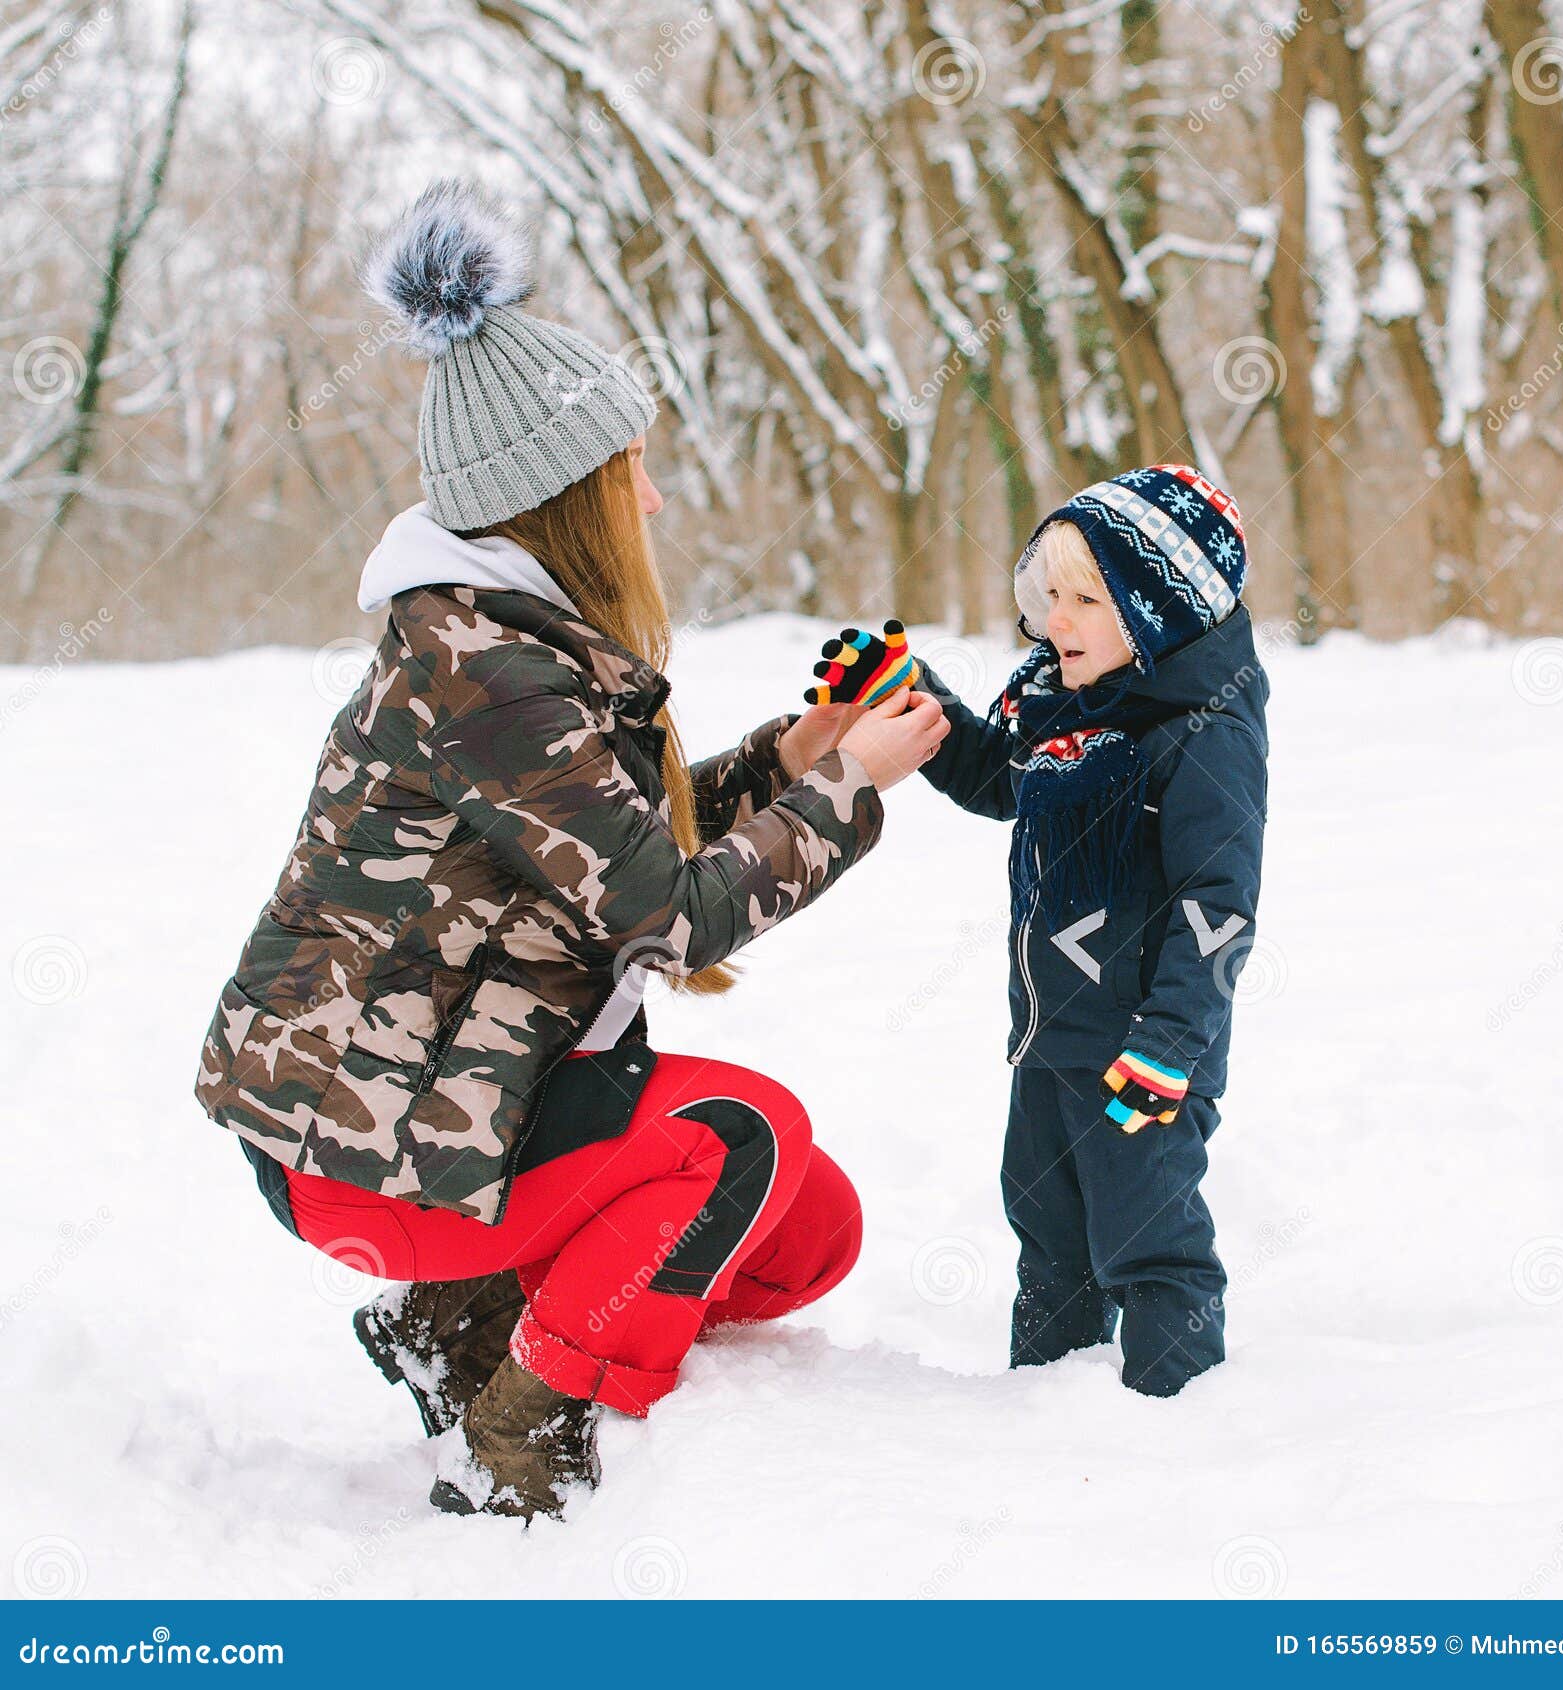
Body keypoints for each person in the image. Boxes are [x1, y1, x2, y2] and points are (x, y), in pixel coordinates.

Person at [191, 178, 949, 1520]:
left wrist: (797, 753)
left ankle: (457, 1323)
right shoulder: (490, 679)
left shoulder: (503, 646)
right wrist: (849, 794)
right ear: (565, 498)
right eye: (629, 471)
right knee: (738, 1131)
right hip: (362, 1150)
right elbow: (668, 914)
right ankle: (525, 1429)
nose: (650, 501)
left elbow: (611, 850)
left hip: (438, 1111)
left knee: (808, 1220)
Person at [810, 466, 1267, 1395]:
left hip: (1147, 1051)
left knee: (1147, 1235)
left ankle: (1175, 1420)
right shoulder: (1068, 700)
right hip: (1053, 1034)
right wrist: (912, 694)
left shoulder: (1201, 731)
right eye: (1049, 594)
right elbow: (999, 783)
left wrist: (1171, 1043)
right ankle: (1042, 1415)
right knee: (1047, 1229)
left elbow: (1218, 909)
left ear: (1156, 611)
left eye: (1086, 600)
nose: (1057, 620)